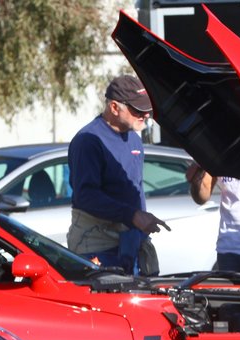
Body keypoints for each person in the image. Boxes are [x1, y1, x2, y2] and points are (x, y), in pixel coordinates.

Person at [66, 74, 170, 275]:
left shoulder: (134, 139)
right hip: (97, 245)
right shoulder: (88, 141)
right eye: (138, 110)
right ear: (114, 107)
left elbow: (136, 187)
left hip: (130, 242)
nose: (145, 115)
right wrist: (133, 216)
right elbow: (86, 196)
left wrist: (142, 231)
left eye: (147, 110)